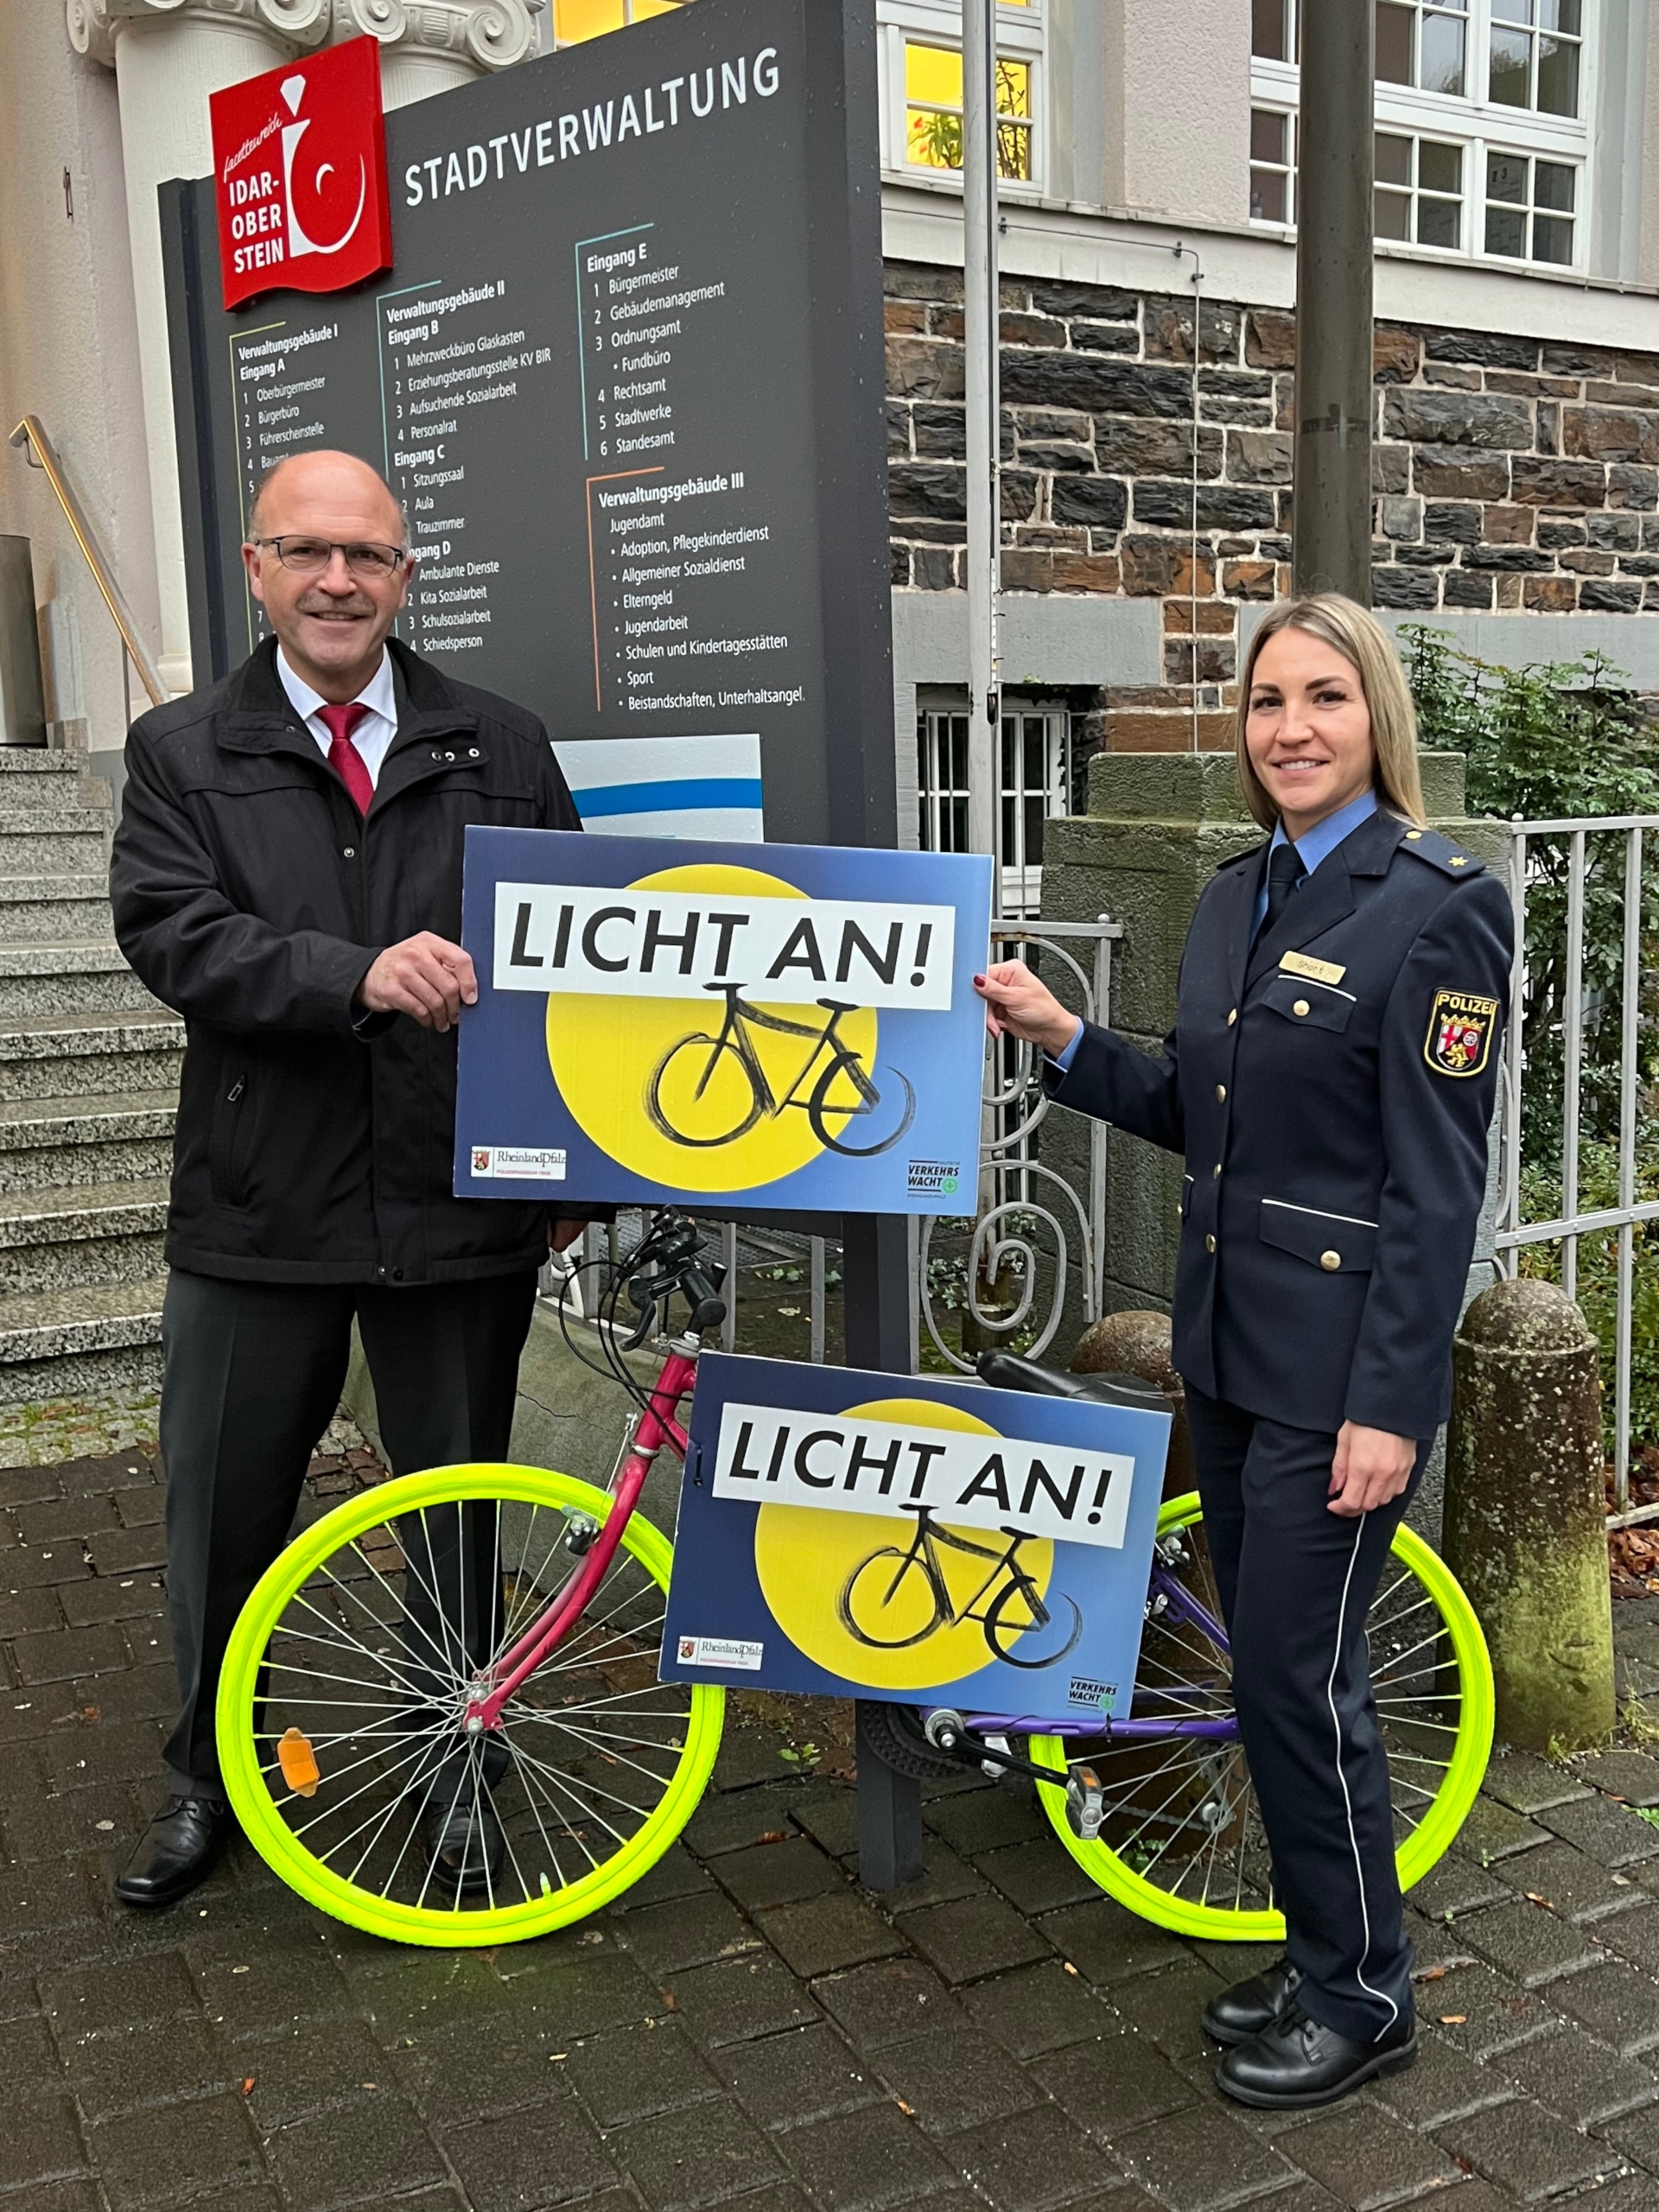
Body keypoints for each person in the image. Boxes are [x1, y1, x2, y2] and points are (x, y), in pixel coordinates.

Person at [976, 594, 1511, 2112]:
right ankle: (1319, 1945)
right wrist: (1063, 1038)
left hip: (1339, 1379)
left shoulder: (1437, 904)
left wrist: (1393, 1408)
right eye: (1268, 701)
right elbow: (1203, 1116)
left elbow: (1433, 1190)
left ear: (1374, 717)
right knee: (1275, 1676)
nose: (1292, 728)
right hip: (1228, 1348)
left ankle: (1363, 1997)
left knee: (1296, 1677)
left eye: (1325, 698)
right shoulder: (1235, 895)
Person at [110, 449, 589, 1908]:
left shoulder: (498, 742)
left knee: (453, 1511)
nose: (339, 581)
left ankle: (453, 1759)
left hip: (457, 1204)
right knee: (226, 1510)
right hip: (263, 1208)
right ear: (256, 567)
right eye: (309, 552)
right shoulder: (182, 748)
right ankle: (210, 1777)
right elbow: (172, 933)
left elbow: (580, 960)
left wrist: (582, 1163)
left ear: (405, 574)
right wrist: (353, 974)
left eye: (368, 556)